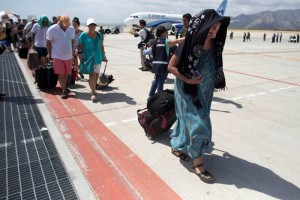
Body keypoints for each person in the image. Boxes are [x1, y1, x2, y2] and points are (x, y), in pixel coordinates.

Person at [168, 9, 230, 182]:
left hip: (205, 92)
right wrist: (188, 79)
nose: (214, 30)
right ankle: (198, 163)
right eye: (211, 26)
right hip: (187, 90)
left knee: (185, 120)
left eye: (217, 27)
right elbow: (171, 67)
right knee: (200, 124)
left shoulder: (215, 45)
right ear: (203, 25)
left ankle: (177, 145)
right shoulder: (188, 43)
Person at [146, 26, 184, 97]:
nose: (167, 34)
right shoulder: (166, 41)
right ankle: (159, 98)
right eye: (166, 32)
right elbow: (177, 41)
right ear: (162, 34)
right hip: (163, 66)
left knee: (156, 81)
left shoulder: (155, 42)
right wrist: (188, 37)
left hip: (155, 66)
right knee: (160, 83)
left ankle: (151, 96)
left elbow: (146, 52)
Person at [77, 18, 106, 101]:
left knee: (96, 75)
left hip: (98, 57)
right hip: (88, 59)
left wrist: (104, 55)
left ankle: (92, 88)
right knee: (92, 74)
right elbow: (79, 46)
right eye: (90, 25)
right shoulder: (83, 35)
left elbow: (101, 46)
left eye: (94, 24)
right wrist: (81, 58)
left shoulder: (99, 34)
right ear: (87, 26)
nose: (92, 26)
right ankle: (93, 93)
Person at [46, 15, 75, 99]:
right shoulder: (52, 29)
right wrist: (49, 53)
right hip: (57, 55)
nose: (66, 26)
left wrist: (72, 52)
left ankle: (64, 87)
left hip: (68, 55)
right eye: (65, 24)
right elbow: (48, 41)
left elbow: (72, 40)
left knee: (66, 73)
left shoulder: (71, 29)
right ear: (60, 22)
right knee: (61, 73)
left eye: (67, 24)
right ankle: (64, 90)